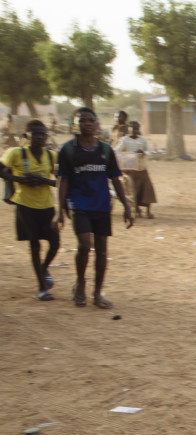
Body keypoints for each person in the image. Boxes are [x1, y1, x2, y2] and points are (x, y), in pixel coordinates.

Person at [54, 107, 133, 309]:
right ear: (75, 124)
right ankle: (80, 283)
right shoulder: (68, 150)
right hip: (78, 202)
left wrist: (126, 206)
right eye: (82, 120)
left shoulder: (105, 150)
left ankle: (97, 293)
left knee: (102, 250)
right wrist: (59, 211)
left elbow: (116, 179)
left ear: (97, 124)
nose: (87, 124)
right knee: (84, 245)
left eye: (91, 120)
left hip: (101, 204)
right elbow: (62, 181)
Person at [1, 120, 60, 300]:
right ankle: (42, 288)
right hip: (25, 206)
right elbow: (2, 170)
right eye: (35, 134)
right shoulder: (16, 153)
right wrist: (20, 180)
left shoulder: (51, 156)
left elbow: (60, 181)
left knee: (55, 243)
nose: (40, 137)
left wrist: (43, 181)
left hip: (46, 205)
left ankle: (42, 269)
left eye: (43, 134)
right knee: (35, 245)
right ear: (27, 136)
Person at [115, 121, 157, 218]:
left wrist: (143, 152)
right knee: (133, 191)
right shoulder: (124, 140)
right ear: (128, 129)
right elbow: (117, 150)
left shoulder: (143, 139)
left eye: (137, 128)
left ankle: (148, 211)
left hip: (141, 168)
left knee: (148, 189)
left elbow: (148, 151)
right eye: (133, 128)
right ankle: (136, 209)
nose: (135, 130)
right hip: (130, 168)